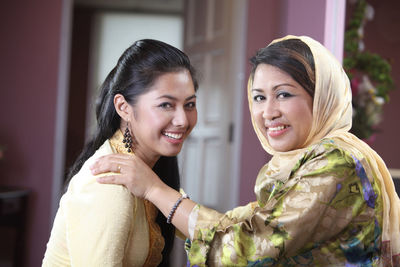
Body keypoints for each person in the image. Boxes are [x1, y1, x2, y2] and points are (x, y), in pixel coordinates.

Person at [91, 35, 400, 266]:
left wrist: (156, 190)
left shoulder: (337, 162)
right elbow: (244, 225)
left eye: (283, 94)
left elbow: (246, 248)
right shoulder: (300, 163)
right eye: (259, 97)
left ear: (321, 96)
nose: (268, 112)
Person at [42, 39, 198, 266]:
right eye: (166, 104)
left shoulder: (146, 175)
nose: (183, 120)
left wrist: (155, 189)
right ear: (124, 108)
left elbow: (216, 235)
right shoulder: (109, 182)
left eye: (190, 104)